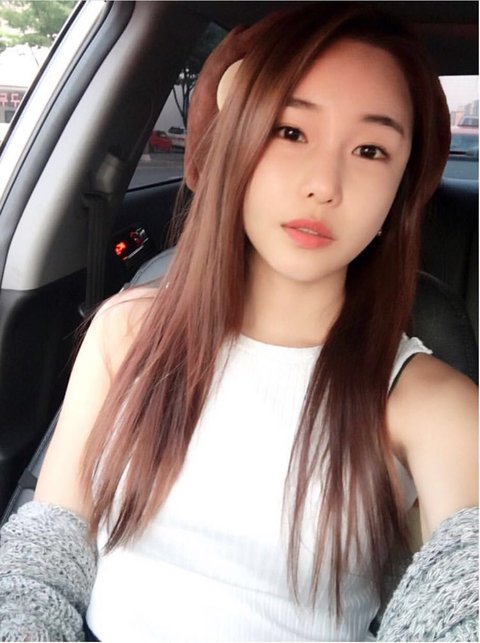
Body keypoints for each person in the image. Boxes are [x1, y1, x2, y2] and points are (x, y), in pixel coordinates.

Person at [0, 3, 477, 642]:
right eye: (290, 131)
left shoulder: (432, 404)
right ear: (235, 144)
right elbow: (46, 551)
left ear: (401, 190)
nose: (324, 184)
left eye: (370, 150)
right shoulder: (126, 333)